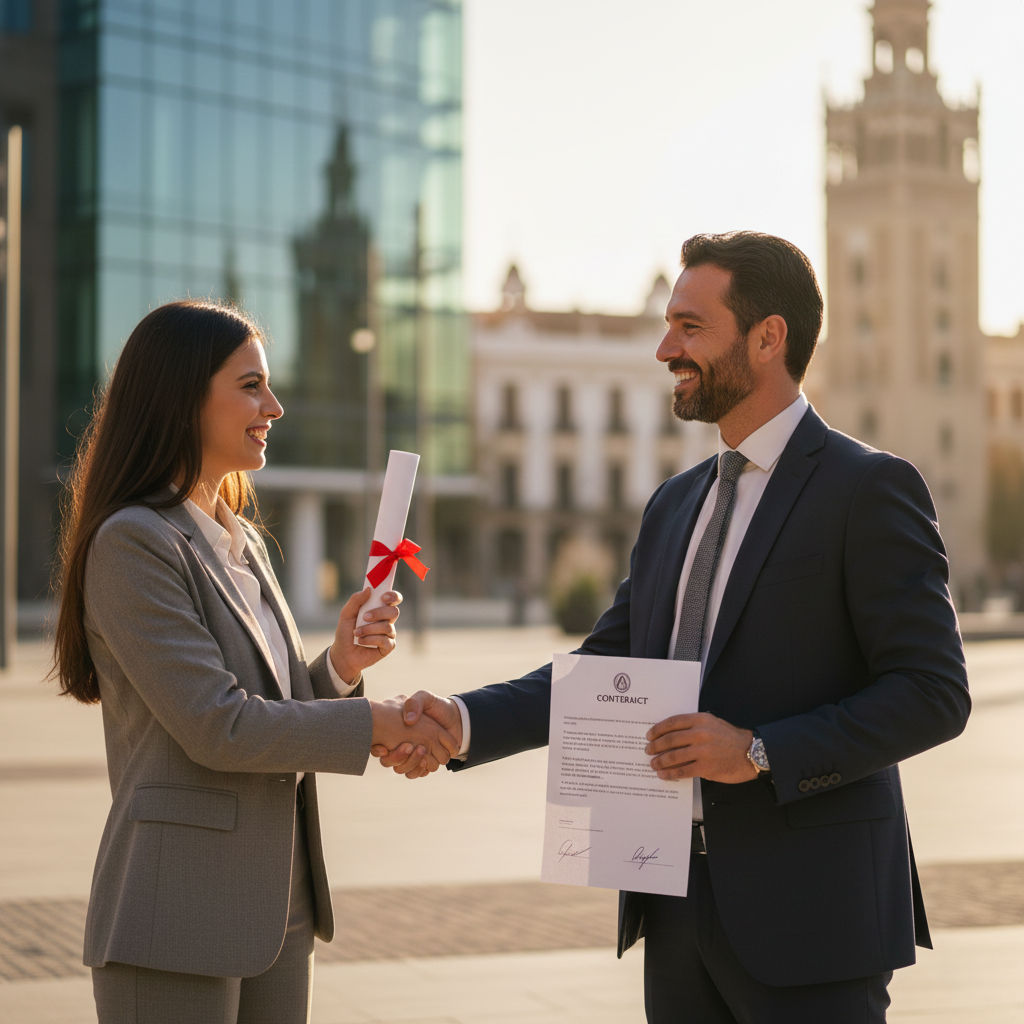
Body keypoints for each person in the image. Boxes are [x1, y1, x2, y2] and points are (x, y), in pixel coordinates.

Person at [376, 232, 971, 1023]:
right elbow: (603, 669)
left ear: (768, 338)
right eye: (668, 325)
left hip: (814, 919)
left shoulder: (870, 488)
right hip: (675, 910)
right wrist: (462, 721)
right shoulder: (673, 505)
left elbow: (934, 692)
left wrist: (759, 751)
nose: (665, 349)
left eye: (690, 327)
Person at [52, 300, 458, 1024]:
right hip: (176, 915)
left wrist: (337, 667)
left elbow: (271, 702)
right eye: (250, 386)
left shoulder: (244, 540)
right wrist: (377, 721)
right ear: (181, 397)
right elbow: (220, 727)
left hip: (280, 908)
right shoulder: (134, 543)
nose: (273, 405)